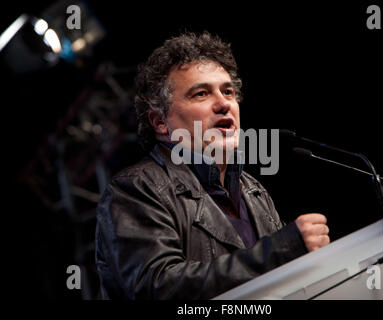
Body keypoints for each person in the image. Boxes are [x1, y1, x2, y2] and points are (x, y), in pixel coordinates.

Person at [95, 31, 330, 299]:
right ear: (160, 122)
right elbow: (158, 287)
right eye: (201, 94)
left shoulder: (253, 190)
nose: (224, 104)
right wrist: (279, 250)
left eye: (228, 92)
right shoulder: (135, 189)